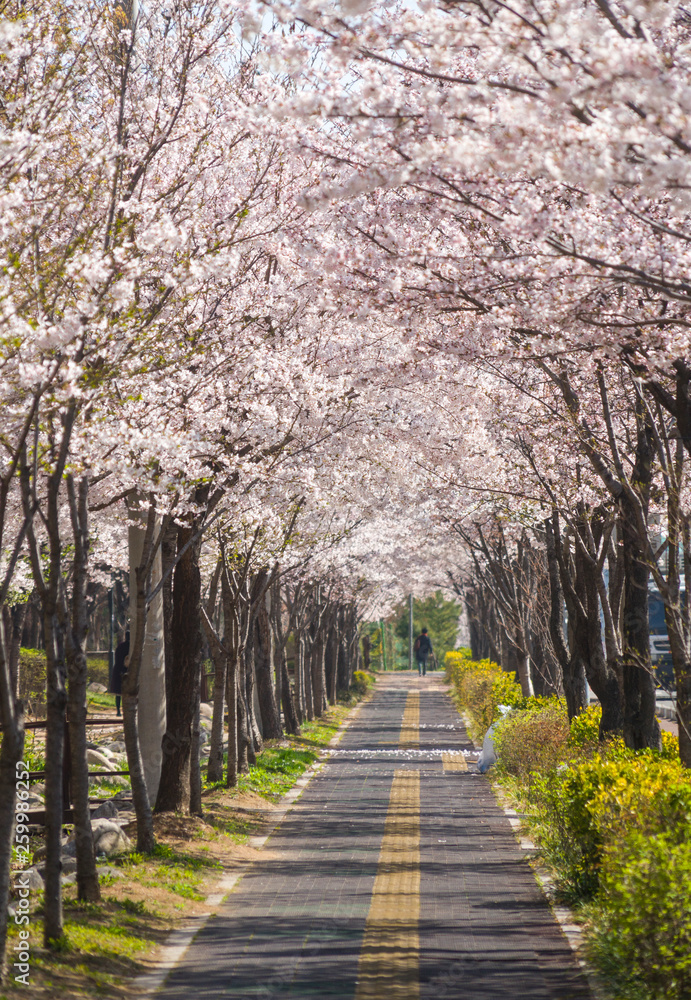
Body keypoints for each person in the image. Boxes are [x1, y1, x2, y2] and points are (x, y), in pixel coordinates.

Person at [110, 630, 130, 717]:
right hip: (127, 670)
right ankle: (127, 710)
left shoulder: (120, 646)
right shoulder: (131, 647)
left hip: (118, 670)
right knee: (128, 691)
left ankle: (118, 711)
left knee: (118, 693)